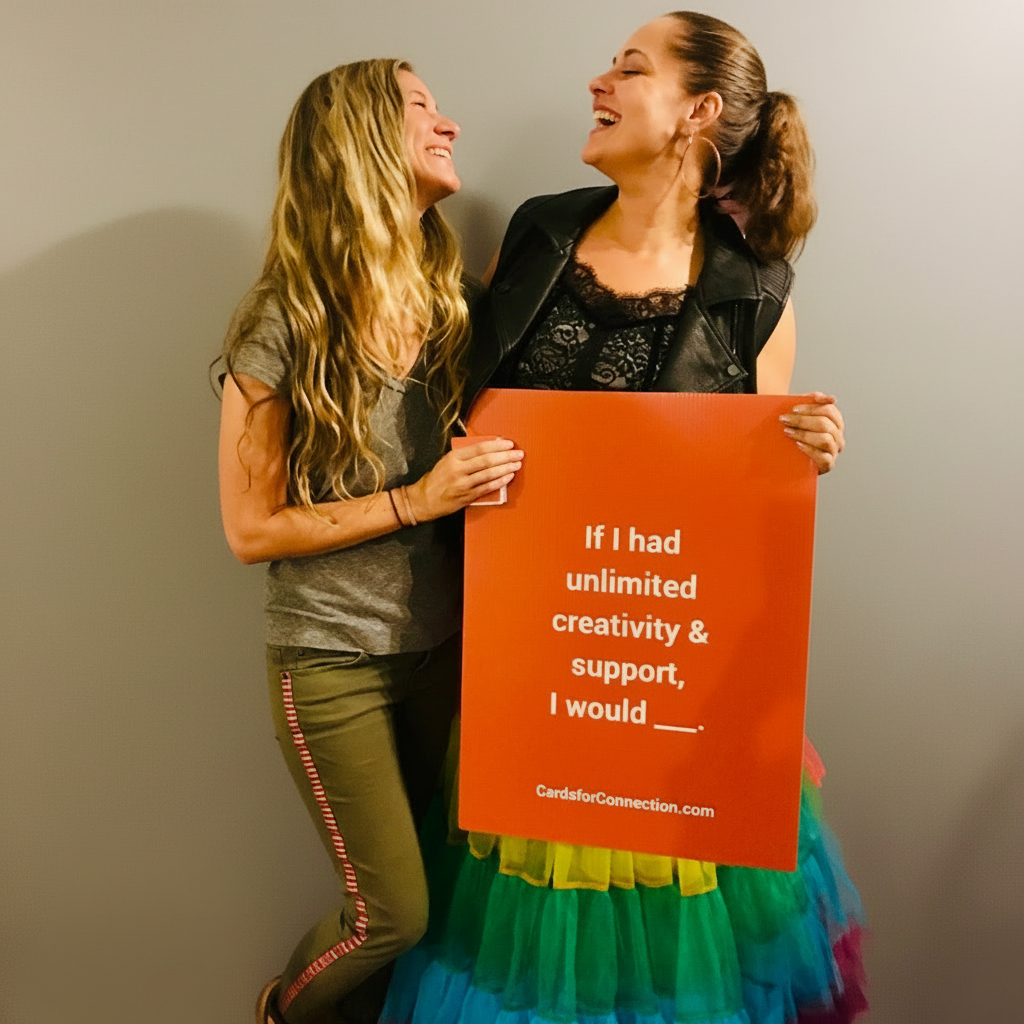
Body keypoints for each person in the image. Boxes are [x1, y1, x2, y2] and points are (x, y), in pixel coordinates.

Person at [381, 13, 866, 1024]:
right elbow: (460, 399)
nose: (598, 81)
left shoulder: (754, 289)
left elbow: (745, 510)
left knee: (666, 974)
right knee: (528, 964)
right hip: (532, 668)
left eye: (628, 68)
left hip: (667, 691)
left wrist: (803, 453)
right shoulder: (540, 230)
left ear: (697, 110)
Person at [217, 59, 523, 1024]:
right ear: (360, 140)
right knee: (390, 915)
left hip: (445, 654)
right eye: (425, 107)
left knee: (444, 910)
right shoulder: (286, 318)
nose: (452, 125)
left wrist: (774, 436)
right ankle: (277, 1012)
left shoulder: (452, 295)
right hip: (331, 665)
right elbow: (249, 528)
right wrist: (420, 498)